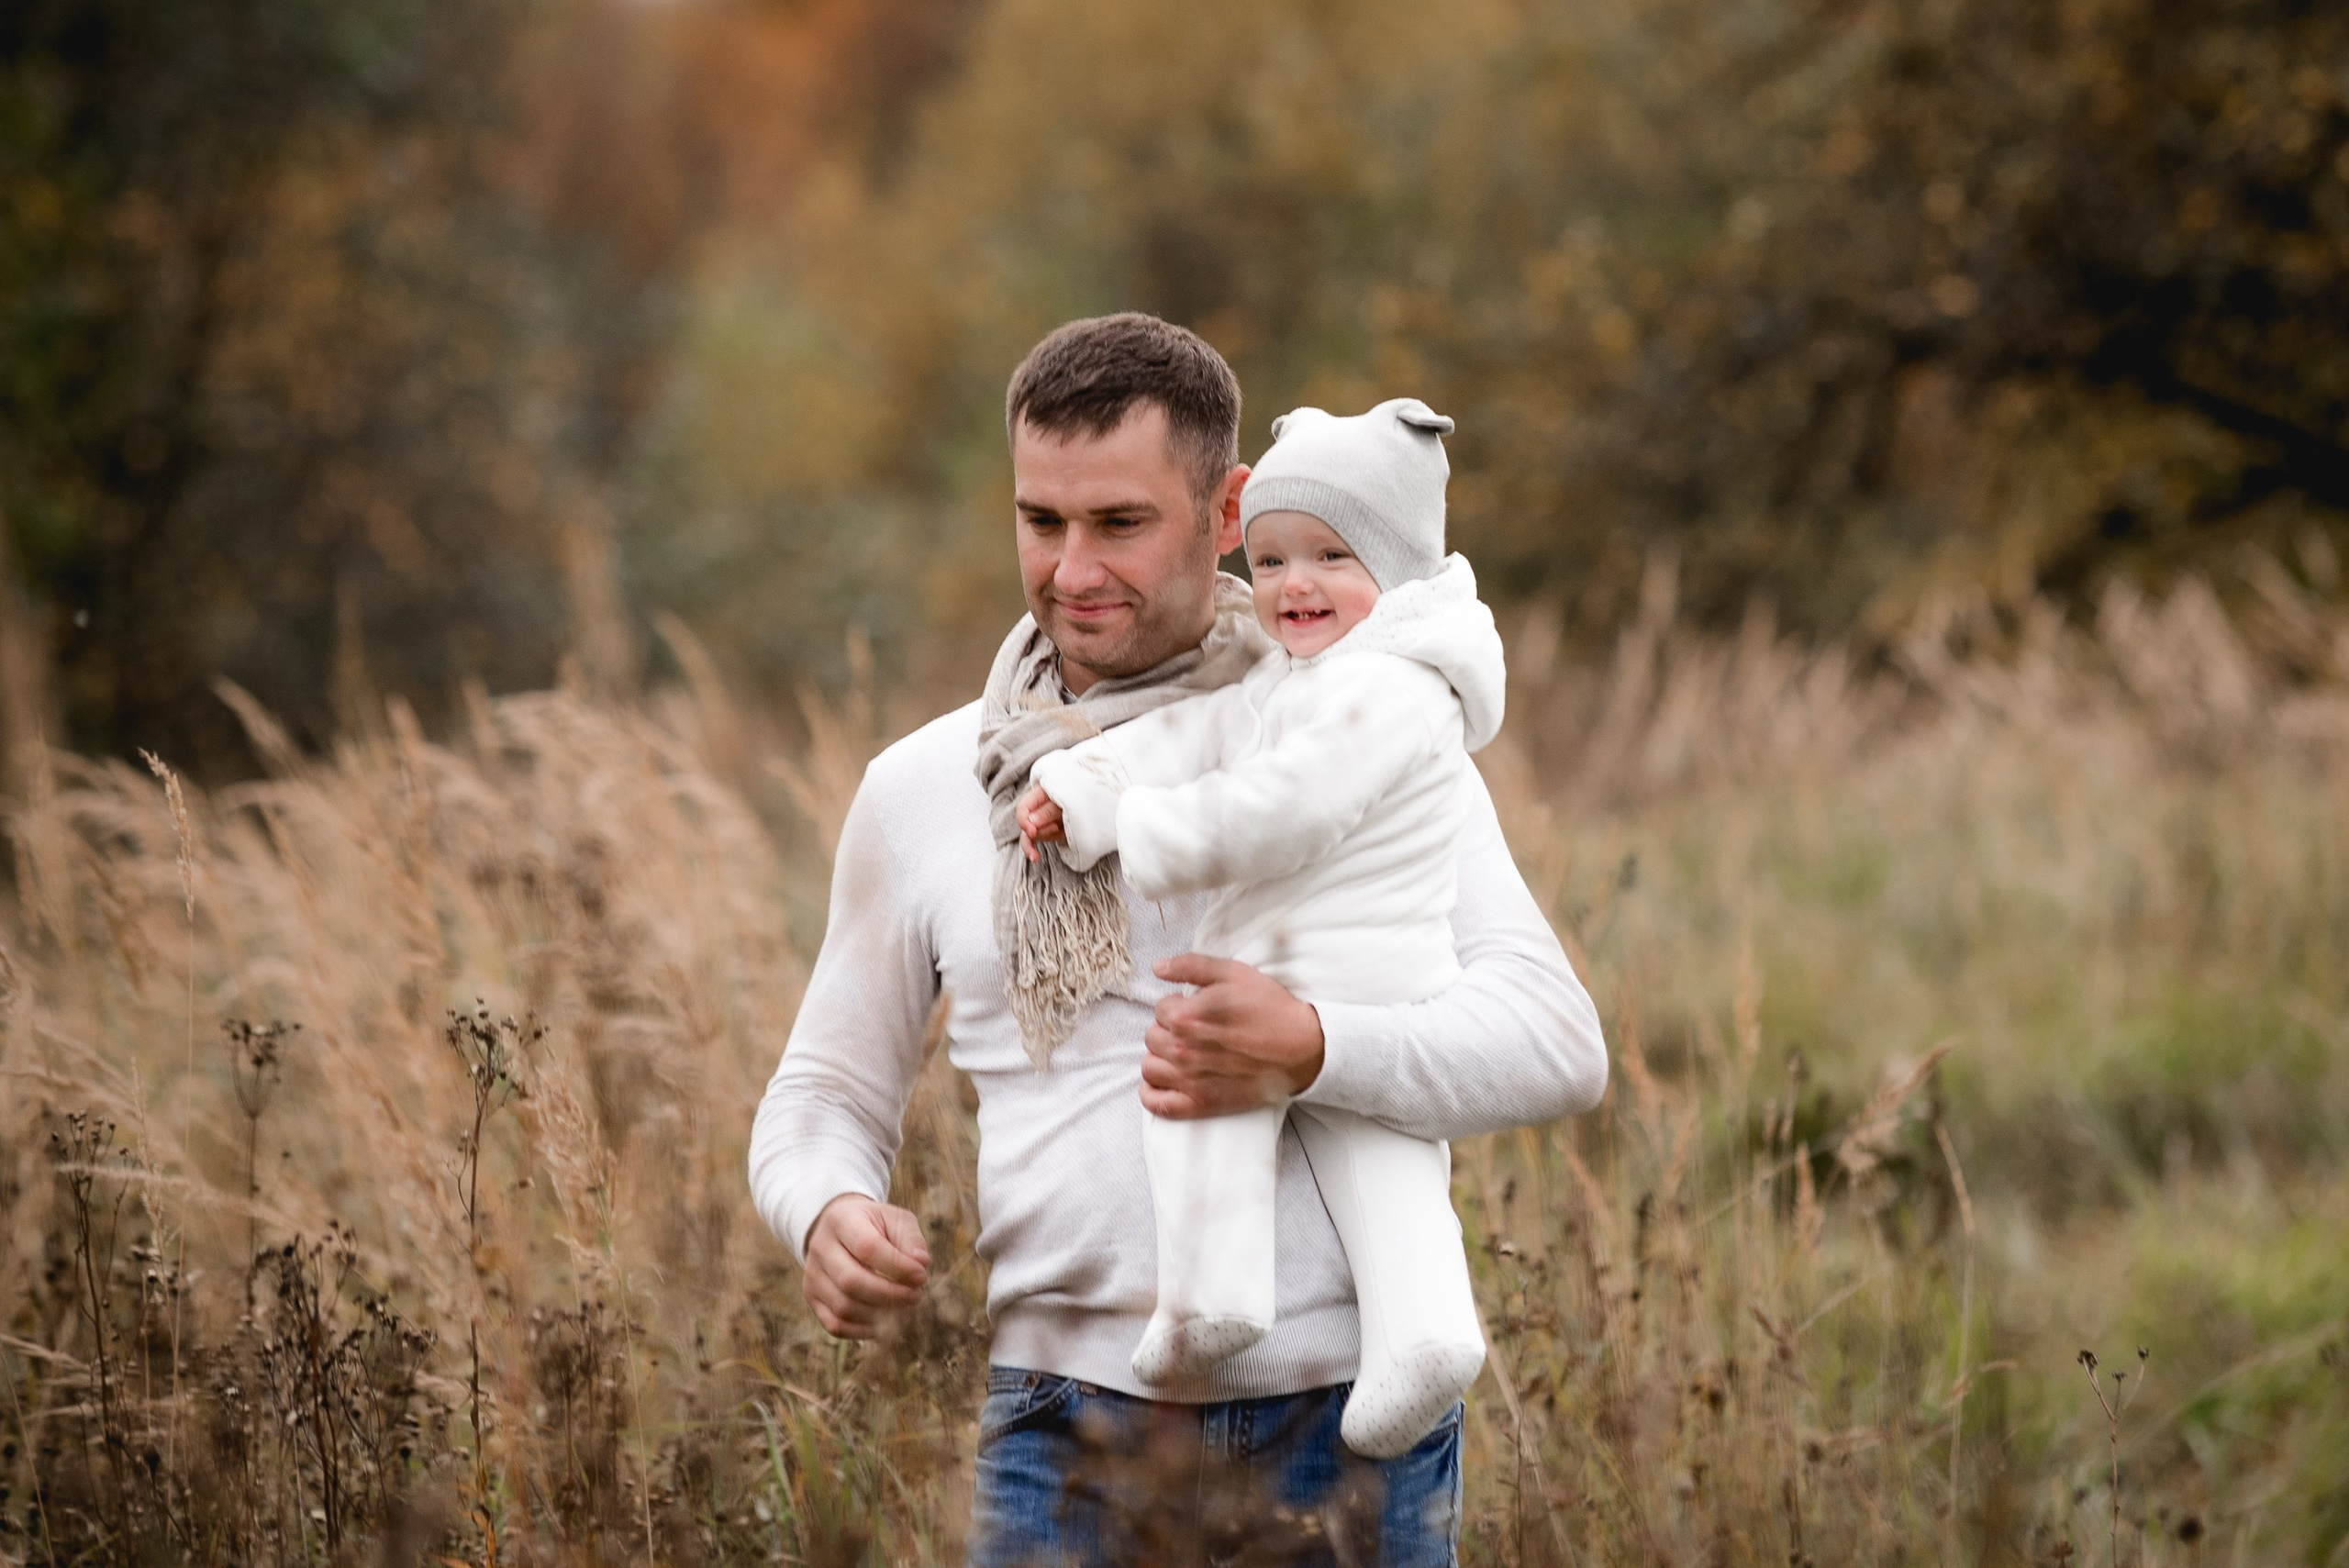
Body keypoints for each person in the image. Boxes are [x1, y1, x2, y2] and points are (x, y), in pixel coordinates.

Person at [748, 313, 1609, 1566]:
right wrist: (823, 1208)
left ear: (1226, 511)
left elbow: (1555, 1041)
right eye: (1042, 522)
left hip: (1346, 1432)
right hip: (1064, 1436)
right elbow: (823, 1093)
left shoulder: (1362, 736)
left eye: (1119, 524)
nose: (1072, 569)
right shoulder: (925, 789)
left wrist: (1311, 1050)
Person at [1017, 398, 1500, 1462]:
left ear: (1404, 569)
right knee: (1323, 1145)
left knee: (1230, 1097)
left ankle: (1289, 1307)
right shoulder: (1300, 679)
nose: (1295, 584)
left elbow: (1287, 809)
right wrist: (1085, 780)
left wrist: (1131, 829)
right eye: (1275, 557)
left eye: (1332, 555)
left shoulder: (1394, 691)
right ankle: (1329, 1316)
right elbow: (1195, 734)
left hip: (1352, 966)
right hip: (1326, 962)